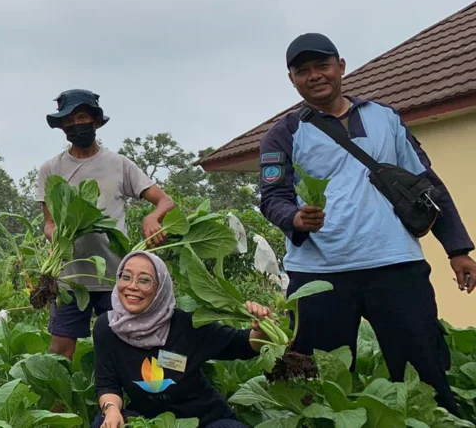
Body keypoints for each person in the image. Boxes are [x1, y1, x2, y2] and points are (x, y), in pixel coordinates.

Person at [259, 33, 475, 416]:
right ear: (291, 79)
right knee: (314, 383)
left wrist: (457, 249)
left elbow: (426, 185)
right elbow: (273, 197)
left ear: (341, 67)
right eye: (302, 70)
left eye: (322, 66)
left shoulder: (385, 118)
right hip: (319, 273)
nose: (314, 76)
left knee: (424, 371)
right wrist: (294, 217)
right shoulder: (284, 132)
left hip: (394, 263)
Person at [37, 89, 177, 359]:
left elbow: (165, 202)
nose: (74, 126)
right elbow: (49, 223)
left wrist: (152, 217)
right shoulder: (50, 169)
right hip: (69, 277)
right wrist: (59, 239)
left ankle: (118, 399)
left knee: (125, 347)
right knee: (59, 352)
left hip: (115, 278)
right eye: (67, 121)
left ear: (96, 122)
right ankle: (58, 402)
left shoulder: (119, 164)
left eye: (80, 118)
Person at [93, 251, 270, 428]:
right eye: (126, 276)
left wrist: (261, 328)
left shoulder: (186, 325)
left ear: (160, 288)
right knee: (103, 423)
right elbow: (107, 384)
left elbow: (242, 344)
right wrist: (112, 410)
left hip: (205, 420)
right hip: (149, 422)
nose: (132, 286)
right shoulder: (108, 328)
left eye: (144, 280)